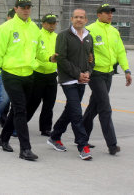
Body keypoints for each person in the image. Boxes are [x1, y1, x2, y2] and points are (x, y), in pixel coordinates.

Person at [0, 0, 56, 161]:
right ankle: (25, 149)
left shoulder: (34, 28)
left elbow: (39, 51)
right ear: (16, 8)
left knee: (17, 110)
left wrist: (49, 58)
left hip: (28, 74)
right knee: (20, 110)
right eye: (23, 7)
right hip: (11, 74)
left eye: (28, 7)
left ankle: (3, 138)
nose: (26, 10)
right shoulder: (6, 28)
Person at [83, 4, 132, 155]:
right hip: (95, 73)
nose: (110, 15)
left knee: (94, 107)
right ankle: (112, 144)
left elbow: (120, 52)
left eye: (111, 12)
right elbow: (83, 52)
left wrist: (126, 70)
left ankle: (81, 137)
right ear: (99, 15)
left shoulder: (114, 31)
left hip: (108, 74)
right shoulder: (90, 30)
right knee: (105, 107)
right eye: (106, 12)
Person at [47, 9, 94, 160]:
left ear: (86, 20)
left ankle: (55, 136)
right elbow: (61, 59)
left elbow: (91, 59)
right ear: (71, 19)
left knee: (70, 110)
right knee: (76, 112)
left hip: (81, 80)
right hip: (68, 80)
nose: (79, 19)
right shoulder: (63, 36)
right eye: (76, 17)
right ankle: (83, 146)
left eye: (82, 17)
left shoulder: (88, 37)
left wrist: (88, 73)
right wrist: (77, 74)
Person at [26, 13, 58, 137]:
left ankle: (45, 128)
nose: (51, 25)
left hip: (51, 75)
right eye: (49, 23)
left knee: (49, 104)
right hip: (38, 74)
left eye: (54, 23)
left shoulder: (57, 37)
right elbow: (37, 53)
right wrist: (48, 59)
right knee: (33, 103)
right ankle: (19, 125)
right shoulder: (37, 35)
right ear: (43, 23)